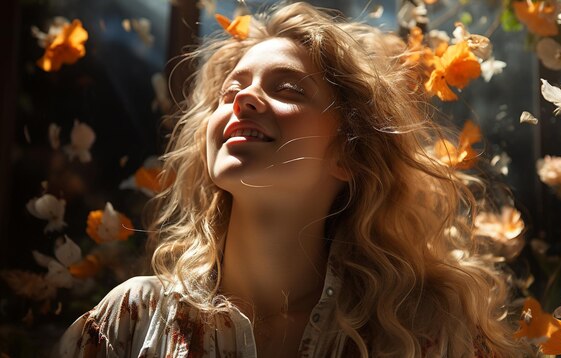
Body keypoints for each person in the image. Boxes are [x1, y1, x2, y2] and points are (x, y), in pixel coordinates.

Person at [55, 2, 528, 357]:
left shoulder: (423, 335)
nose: (243, 101)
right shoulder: (133, 322)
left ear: (350, 153)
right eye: (230, 91)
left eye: (287, 88)